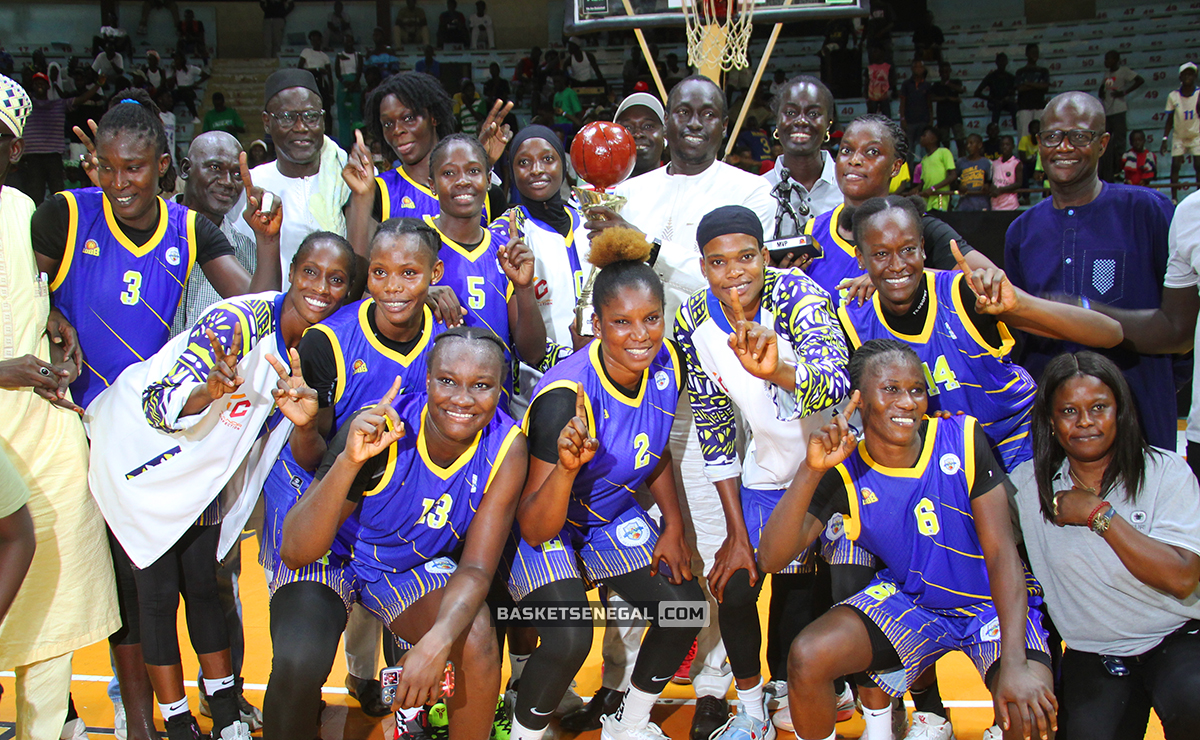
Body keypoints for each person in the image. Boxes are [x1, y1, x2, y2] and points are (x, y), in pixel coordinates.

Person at [86, 228, 351, 740]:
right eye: (311, 273)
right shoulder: (237, 322)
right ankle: (178, 721)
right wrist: (204, 394)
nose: (321, 287)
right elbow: (158, 402)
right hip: (138, 456)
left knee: (205, 587)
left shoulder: (319, 347)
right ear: (292, 273)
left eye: (336, 280)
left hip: (200, 474)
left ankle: (226, 714)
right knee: (158, 595)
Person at [585, 75, 775, 740]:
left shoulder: (749, 190)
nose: (693, 120)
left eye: (707, 112)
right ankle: (624, 678)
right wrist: (607, 239)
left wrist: (649, 250)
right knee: (639, 542)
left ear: (724, 123)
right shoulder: (631, 190)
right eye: (682, 110)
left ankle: (717, 683)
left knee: (713, 540)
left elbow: (733, 285)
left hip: (712, 391)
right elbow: (609, 286)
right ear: (665, 121)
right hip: (635, 389)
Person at [758, 339, 1058, 740]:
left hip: (989, 605)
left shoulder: (963, 439)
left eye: (917, 389)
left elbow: (1002, 553)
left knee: (1028, 708)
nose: (907, 401)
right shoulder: (843, 468)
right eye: (891, 389)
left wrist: (1017, 663)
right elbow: (772, 558)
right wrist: (810, 471)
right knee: (808, 656)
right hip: (913, 603)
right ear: (859, 400)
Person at [283, 326, 527, 739]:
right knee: (298, 660)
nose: (463, 399)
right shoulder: (382, 427)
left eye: (481, 385)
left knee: (477, 638)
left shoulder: (507, 447)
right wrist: (348, 462)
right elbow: (295, 549)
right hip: (338, 558)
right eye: (448, 381)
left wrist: (435, 644)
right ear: (427, 379)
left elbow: (476, 569)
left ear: (500, 389)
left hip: (406, 569)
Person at [259, 221, 450, 738]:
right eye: (381, 273)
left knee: (435, 649)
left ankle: (406, 719)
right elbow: (313, 455)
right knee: (298, 664)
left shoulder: (451, 341)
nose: (392, 287)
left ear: (433, 274)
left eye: (409, 273)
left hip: (400, 531)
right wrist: (303, 425)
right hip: (324, 521)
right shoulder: (328, 342)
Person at [506, 254, 706, 740]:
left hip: (609, 514)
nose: (640, 335)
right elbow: (534, 526)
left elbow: (654, 448)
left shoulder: (669, 363)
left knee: (684, 609)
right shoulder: (565, 397)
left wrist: (674, 527)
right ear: (596, 324)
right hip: (547, 522)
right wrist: (568, 469)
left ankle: (629, 722)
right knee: (570, 634)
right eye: (621, 322)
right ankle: (524, 734)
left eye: (650, 319)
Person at [674, 205, 850, 740]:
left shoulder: (797, 295)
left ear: (764, 255)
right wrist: (735, 532)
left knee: (818, 592)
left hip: (841, 469)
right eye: (719, 262)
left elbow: (836, 379)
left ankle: (834, 693)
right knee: (736, 582)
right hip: (771, 468)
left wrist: (777, 371)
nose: (736, 272)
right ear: (703, 269)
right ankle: (750, 710)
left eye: (747, 257)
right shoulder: (691, 321)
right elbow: (714, 422)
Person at [0, 72, 120, 740]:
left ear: (14, 151)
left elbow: (43, 288)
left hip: (43, 434)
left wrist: (56, 319)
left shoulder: (24, 212)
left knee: (52, 599)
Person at [839, 195, 1122, 472]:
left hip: (1021, 451)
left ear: (923, 248)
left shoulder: (964, 293)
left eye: (907, 249)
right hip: (950, 468)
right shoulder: (854, 323)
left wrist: (1021, 305)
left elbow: (1111, 333)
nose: (897, 264)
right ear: (861, 259)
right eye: (881, 254)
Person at [1010, 351, 1200, 740]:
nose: (1085, 422)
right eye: (1068, 411)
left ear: (1120, 411)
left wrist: (1099, 515)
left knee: (1195, 703)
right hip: (1095, 652)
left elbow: (1182, 578)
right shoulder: (1026, 487)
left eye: (1099, 408)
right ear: (1050, 419)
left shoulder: (1167, 473)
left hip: (1178, 637)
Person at [1005, 91, 1176, 451]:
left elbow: (1178, 325)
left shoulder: (1149, 212)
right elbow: (1019, 333)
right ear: (1039, 144)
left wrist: (1156, 386)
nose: (1064, 147)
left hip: (1139, 412)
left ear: (1103, 143)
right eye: (1053, 136)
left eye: (1079, 136)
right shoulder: (1021, 231)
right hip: (1054, 424)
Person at [803, 114, 994, 303]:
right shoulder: (815, 229)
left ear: (895, 167)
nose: (854, 160)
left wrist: (903, 276)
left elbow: (990, 280)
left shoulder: (919, 226)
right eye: (846, 150)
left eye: (872, 152)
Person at [421, 134, 546, 403]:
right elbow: (373, 305)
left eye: (474, 170)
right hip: (430, 404)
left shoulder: (505, 249)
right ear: (432, 184)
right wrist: (418, 293)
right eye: (449, 173)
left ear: (489, 179)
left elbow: (532, 353)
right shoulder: (414, 243)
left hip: (492, 409)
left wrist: (524, 288)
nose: (463, 180)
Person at [345, 71, 510, 260]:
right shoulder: (378, 192)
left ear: (433, 117)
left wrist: (477, 162)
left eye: (408, 118)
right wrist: (360, 198)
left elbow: (503, 271)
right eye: (388, 123)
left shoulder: (486, 194)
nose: (397, 130)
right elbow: (356, 276)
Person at [250, 69, 352, 287]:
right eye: (287, 118)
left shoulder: (349, 178)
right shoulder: (251, 186)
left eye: (311, 116)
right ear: (267, 122)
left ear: (323, 120)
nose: (301, 127)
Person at [171, 132, 262, 334]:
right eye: (215, 168)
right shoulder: (153, 231)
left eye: (237, 174)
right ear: (186, 169)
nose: (228, 182)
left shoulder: (248, 253)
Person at [762, 75, 842, 238]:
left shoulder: (849, 188)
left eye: (813, 113)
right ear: (777, 120)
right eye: (791, 112)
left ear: (828, 124)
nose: (801, 121)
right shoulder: (758, 190)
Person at [17, 71, 103, 205]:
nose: (39, 85)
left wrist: (98, 85)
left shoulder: (59, 104)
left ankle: (61, 224)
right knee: (34, 196)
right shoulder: (25, 106)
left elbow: (81, 99)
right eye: (36, 83)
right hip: (32, 157)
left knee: (58, 195)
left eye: (42, 83)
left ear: (47, 87)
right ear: (32, 86)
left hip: (54, 156)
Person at [1100, 51, 1145, 183]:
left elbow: (1139, 80)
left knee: (1119, 142)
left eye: (1108, 59)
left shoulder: (1124, 71)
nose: (1106, 62)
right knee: (1106, 142)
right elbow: (1105, 86)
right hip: (1107, 111)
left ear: (1116, 60)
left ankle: (1120, 170)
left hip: (1118, 110)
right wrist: (1101, 90)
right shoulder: (1107, 73)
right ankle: (1109, 171)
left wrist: (1124, 92)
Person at [1162, 62, 1199, 193]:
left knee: (1198, 166)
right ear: (1180, 77)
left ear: (1195, 76)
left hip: (1196, 135)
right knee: (1175, 166)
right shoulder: (1173, 96)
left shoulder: (1199, 93)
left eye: (1191, 74)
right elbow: (1169, 120)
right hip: (1179, 136)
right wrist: (1165, 138)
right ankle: (1174, 198)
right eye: (1185, 74)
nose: (1188, 76)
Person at [616, 92, 666, 177]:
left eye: (648, 126)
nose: (638, 134)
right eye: (627, 128)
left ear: (665, 135)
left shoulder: (684, 186)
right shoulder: (595, 190)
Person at [1014, 44, 1050, 148]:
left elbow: (1045, 87)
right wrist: (1037, 86)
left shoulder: (1043, 71)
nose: (1035, 54)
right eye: (1032, 52)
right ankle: (1025, 161)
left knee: (1041, 135)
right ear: (1027, 54)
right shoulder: (1020, 71)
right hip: (1024, 107)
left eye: (1036, 52)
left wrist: (1028, 83)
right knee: (1024, 135)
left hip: (1039, 106)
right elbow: (1020, 88)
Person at [929, 62, 965, 158]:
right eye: (942, 71)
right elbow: (931, 97)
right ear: (939, 73)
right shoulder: (936, 85)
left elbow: (961, 90)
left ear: (950, 71)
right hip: (943, 117)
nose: (945, 73)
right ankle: (947, 164)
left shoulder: (956, 82)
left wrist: (948, 83)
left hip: (956, 116)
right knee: (945, 144)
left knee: (960, 141)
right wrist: (948, 98)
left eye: (946, 71)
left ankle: (961, 163)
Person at [917, 126, 956, 211]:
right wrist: (916, 189)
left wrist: (933, 189)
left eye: (924, 135)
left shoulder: (944, 152)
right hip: (927, 198)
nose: (921, 137)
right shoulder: (925, 159)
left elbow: (952, 176)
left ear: (933, 139)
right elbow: (924, 181)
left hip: (939, 197)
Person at [899, 60, 932, 159]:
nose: (918, 69)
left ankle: (924, 170)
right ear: (912, 69)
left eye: (920, 67)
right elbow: (902, 102)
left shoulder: (927, 85)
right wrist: (902, 118)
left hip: (924, 120)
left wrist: (931, 119)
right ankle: (909, 172)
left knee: (924, 148)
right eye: (916, 67)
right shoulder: (906, 84)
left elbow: (929, 103)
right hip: (909, 120)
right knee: (909, 148)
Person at [974, 53, 1016, 129]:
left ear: (1006, 62)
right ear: (996, 62)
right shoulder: (991, 76)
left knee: (1014, 106)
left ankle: (1016, 127)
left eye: (1004, 61)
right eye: (1000, 61)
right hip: (993, 102)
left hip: (1006, 102)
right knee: (997, 105)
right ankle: (994, 128)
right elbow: (977, 93)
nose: (1002, 63)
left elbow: (1014, 91)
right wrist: (990, 98)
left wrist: (1008, 97)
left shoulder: (1010, 77)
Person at [953, 133, 991, 211]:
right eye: (967, 144)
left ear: (979, 145)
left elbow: (991, 181)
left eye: (971, 143)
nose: (968, 146)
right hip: (965, 202)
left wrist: (987, 186)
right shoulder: (960, 162)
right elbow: (953, 182)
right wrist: (959, 187)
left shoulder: (986, 162)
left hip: (982, 202)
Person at [168, 50, 208, 121]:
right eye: (175, 59)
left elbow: (205, 75)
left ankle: (195, 117)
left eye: (177, 59)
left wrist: (197, 83)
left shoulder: (191, 68)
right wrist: (174, 74)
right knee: (172, 96)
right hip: (178, 91)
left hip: (189, 90)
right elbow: (170, 86)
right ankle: (167, 117)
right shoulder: (172, 71)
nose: (176, 61)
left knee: (186, 94)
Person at [991, 135, 1023, 210]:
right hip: (995, 204)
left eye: (1007, 144)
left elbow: (1018, 183)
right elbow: (992, 180)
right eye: (1002, 145)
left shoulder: (1016, 163)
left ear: (1013, 146)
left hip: (1010, 205)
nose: (1005, 147)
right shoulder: (995, 163)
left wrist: (1001, 190)